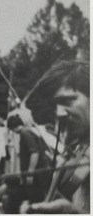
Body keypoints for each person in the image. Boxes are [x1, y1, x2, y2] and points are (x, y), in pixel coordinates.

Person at [20, 60, 89, 214]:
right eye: (56, 105)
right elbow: (71, 188)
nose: (59, 113)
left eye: (67, 101)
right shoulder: (80, 153)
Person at [6, 114, 50, 203]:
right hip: (39, 171)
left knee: (34, 198)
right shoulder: (30, 131)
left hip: (35, 174)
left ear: (12, 128)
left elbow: (34, 153)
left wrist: (30, 173)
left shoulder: (24, 133)